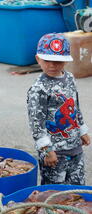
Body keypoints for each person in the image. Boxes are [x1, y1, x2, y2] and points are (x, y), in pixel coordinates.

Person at [27, 32, 90, 185]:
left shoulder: (69, 78)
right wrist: (47, 150)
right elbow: (36, 123)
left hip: (75, 146)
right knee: (54, 191)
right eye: (47, 60)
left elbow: (75, 105)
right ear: (38, 59)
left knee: (77, 187)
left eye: (58, 61)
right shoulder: (38, 89)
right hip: (54, 152)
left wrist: (82, 129)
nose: (52, 65)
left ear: (66, 61)